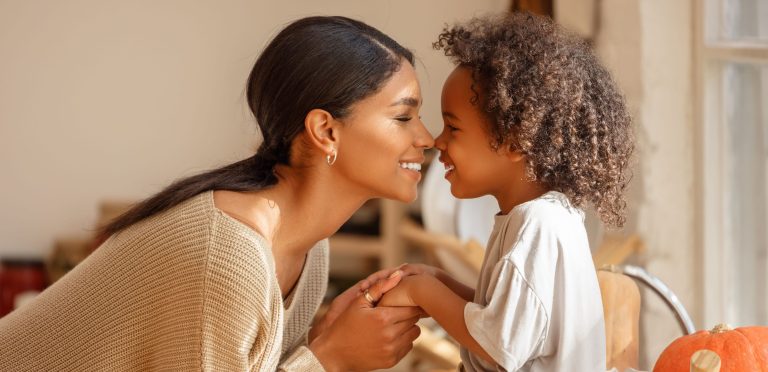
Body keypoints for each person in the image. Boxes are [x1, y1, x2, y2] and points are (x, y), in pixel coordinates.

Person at [0, 16, 434, 371]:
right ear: (325, 130)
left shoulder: (309, 248)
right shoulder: (228, 254)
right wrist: (330, 359)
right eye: (403, 118)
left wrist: (326, 340)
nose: (427, 138)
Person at [363, 12, 634, 371]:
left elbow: (500, 345)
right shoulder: (536, 217)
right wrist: (437, 281)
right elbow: (509, 318)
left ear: (515, 140)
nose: (436, 141)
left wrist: (421, 292)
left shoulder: (537, 224)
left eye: (453, 128)